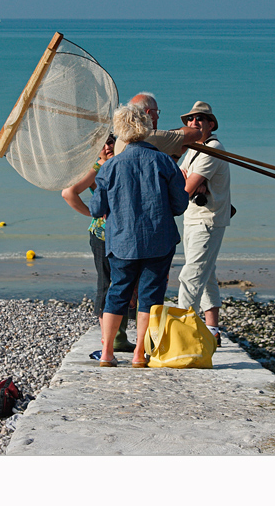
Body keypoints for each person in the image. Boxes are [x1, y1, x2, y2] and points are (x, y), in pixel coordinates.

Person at [89, 103, 189, 368]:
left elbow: (96, 209)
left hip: (121, 240)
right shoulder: (165, 161)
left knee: (117, 292)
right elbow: (180, 205)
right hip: (159, 238)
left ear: (120, 132)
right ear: (145, 127)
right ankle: (139, 355)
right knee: (150, 295)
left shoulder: (110, 167)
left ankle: (108, 353)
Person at [61, 133, 136, 353]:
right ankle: (108, 341)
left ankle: (118, 338)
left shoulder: (119, 163)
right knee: (107, 284)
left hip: (121, 235)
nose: (107, 147)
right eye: (102, 144)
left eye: (110, 142)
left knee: (123, 284)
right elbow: (69, 193)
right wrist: (91, 214)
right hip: (103, 236)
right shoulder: (97, 167)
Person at [176, 101, 230, 347]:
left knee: (191, 275)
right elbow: (180, 179)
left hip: (207, 220)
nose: (194, 122)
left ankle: (181, 332)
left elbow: (184, 188)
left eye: (200, 118)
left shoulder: (213, 148)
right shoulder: (193, 149)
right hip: (193, 218)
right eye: (190, 119)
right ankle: (212, 330)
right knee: (205, 273)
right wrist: (187, 182)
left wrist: (189, 182)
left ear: (210, 124)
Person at [114, 92, 201, 158]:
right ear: (148, 114)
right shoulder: (153, 136)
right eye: (156, 112)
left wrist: (177, 154)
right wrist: (171, 133)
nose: (158, 117)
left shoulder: (119, 140)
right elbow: (196, 134)